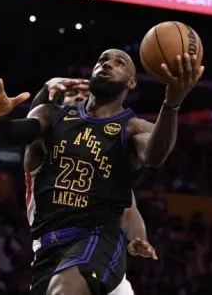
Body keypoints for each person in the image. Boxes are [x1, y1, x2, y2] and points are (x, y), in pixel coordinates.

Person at [0, 49, 202, 295]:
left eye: (119, 63)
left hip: (97, 240)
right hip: (50, 249)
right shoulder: (52, 117)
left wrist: (171, 104)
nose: (107, 64)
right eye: (102, 60)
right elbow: (10, 135)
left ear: (131, 82)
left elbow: (155, 157)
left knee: (63, 290)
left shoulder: (133, 128)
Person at [24, 78, 158, 295]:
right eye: (72, 94)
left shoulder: (105, 167)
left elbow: (128, 210)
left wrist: (139, 237)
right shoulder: (44, 144)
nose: (79, 97)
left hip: (92, 248)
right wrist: (47, 87)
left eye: (86, 97)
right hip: (50, 249)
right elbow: (32, 123)